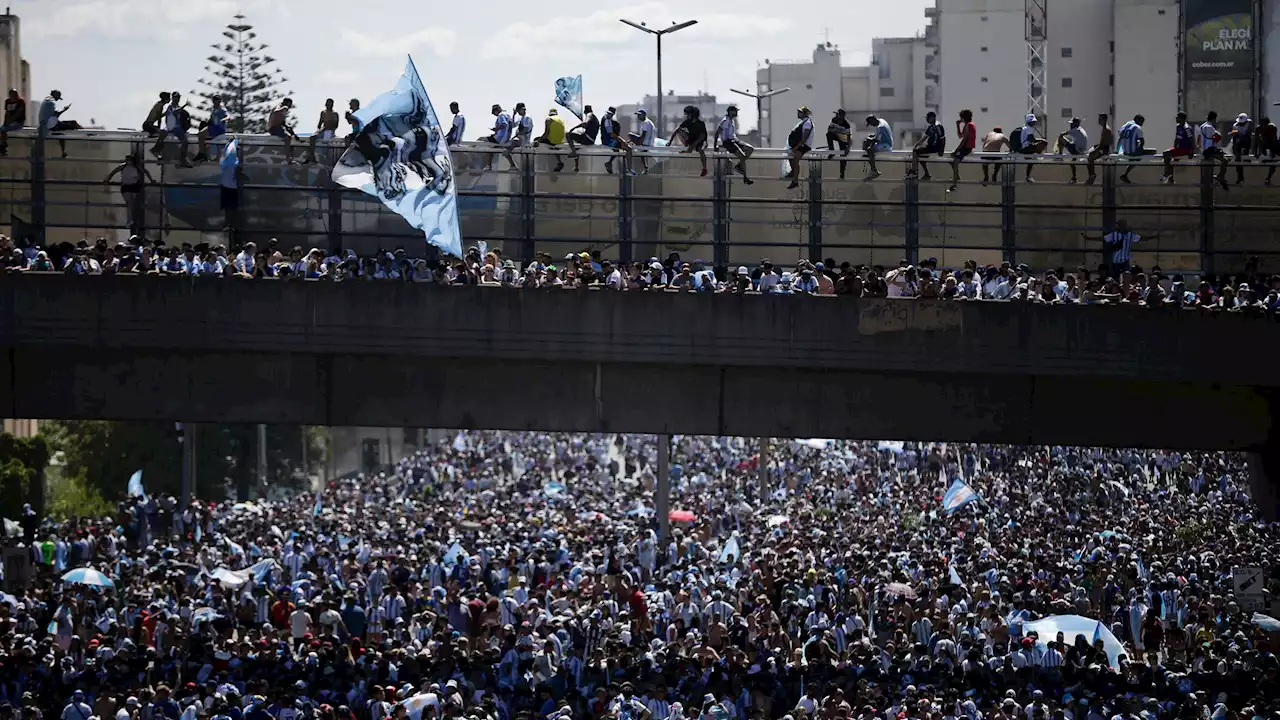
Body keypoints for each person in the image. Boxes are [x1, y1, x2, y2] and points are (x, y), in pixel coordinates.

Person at [104, 153, 156, 235]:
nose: (128, 161)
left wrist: (151, 180)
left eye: (130, 160)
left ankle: (131, 219)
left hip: (134, 186)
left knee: (131, 203)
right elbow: (113, 172)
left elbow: (145, 171)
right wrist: (107, 179)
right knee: (129, 202)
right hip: (126, 186)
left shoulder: (136, 167)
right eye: (127, 160)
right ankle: (129, 220)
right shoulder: (123, 166)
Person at [714, 104, 754, 185]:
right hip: (728, 142)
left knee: (750, 149)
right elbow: (717, 132)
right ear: (730, 112)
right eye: (735, 111)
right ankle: (745, 177)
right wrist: (715, 146)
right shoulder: (725, 121)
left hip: (735, 140)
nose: (736, 113)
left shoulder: (732, 120)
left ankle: (739, 166)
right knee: (742, 156)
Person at [150, 90, 192, 167]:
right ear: (173, 98)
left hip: (176, 128)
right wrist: (185, 105)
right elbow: (175, 112)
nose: (177, 99)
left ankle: (182, 159)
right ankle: (157, 152)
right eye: (175, 97)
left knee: (185, 142)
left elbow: (165, 114)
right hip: (171, 128)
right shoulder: (171, 107)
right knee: (162, 136)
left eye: (178, 97)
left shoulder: (175, 107)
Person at [39, 89, 82, 158]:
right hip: (50, 126)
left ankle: (63, 152)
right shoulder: (51, 101)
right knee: (73, 123)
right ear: (55, 95)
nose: (57, 100)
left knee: (61, 135)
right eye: (58, 98)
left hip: (44, 126)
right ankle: (86, 133)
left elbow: (50, 115)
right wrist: (64, 109)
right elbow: (56, 114)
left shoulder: (45, 100)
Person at [669, 105, 708, 177]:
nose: (686, 116)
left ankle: (704, 168)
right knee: (680, 131)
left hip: (699, 141)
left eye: (687, 114)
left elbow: (702, 137)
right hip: (691, 139)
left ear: (692, 114)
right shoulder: (687, 122)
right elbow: (677, 130)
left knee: (700, 150)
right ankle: (686, 147)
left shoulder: (700, 124)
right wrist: (670, 142)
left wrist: (692, 146)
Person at [1159, 112, 1195, 184]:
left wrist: (1191, 151)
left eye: (1177, 117)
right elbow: (1177, 138)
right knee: (1169, 157)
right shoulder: (1178, 126)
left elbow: (1192, 140)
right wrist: (1174, 147)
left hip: (1186, 149)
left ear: (1181, 119)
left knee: (1166, 154)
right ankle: (1170, 178)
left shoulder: (1186, 128)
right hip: (1180, 148)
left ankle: (1167, 173)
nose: (1176, 118)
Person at [784, 106, 815, 189]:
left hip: (803, 146)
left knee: (795, 161)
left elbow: (805, 137)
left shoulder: (807, 123)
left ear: (804, 114)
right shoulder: (803, 122)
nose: (798, 113)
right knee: (790, 156)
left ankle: (795, 181)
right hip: (799, 145)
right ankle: (793, 172)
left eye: (800, 112)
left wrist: (797, 147)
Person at [192, 95, 229, 163]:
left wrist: (223, 119)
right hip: (214, 128)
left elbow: (228, 116)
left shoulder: (222, 109)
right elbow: (211, 120)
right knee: (203, 137)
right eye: (215, 100)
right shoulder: (214, 109)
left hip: (218, 129)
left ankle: (201, 153)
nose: (216, 102)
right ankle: (204, 154)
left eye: (218, 100)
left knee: (201, 134)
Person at [303, 98, 341, 165]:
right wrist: (320, 130)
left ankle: (326, 159)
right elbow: (319, 124)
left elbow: (336, 126)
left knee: (326, 142)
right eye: (327, 103)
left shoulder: (335, 114)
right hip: (323, 130)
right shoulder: (323, 113)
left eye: (330, 104)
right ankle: (311, 157)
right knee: (312, 137)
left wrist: (329, 125)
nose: (328, 105)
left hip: (330, 131)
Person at [910, 111, 946, 181]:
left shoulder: (938, 126)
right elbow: (924, 137)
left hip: (934, 148)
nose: (927, 119)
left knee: (916, 152)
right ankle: (927, 174)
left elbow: (943, 139)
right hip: (930, 147)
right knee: (920, 157)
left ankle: (914, 171)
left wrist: (941, 150)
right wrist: (916, 145)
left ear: (932, 118)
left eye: (928, 118)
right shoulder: (930, 127)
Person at [1198, 110, 1229, 190]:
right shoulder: (1209, 127)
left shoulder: (1202, 126)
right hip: (1209, 150)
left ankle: (1219, 178)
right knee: (1225, 160)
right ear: (1213, 118)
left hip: (1204, 150)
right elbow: (1216, 137)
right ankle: (1220, 176)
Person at [565, 105, 599, 172]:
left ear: (585, 112)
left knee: (568, 135)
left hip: (587, 139)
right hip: (591, 140)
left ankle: (574, 153)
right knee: (576, 146)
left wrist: (574, 128)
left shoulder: (589, 115)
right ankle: (576, 166)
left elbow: (585, 123)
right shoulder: (595, 119)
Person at [1015, 113, 1048, 182]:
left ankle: (1028, 176)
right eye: (1032, 121)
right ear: (1029, 122)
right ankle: (1038, 154)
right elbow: (1031, 139)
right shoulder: (1029, 128)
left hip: (1024, 148)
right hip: (1027, 148)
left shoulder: (1025, 127)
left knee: (1030, 162)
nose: (1034, 123)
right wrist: (1041, 140)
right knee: (1045, 142)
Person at [950, 108, 976, 191]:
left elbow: (964, 139)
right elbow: (960, 136)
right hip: (967, 147)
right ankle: (957, 177)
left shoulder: (969, 125)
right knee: (952, 161)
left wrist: (957, 150)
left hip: (966, 147)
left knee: (955, 162)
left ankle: (955, 183)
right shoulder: (969, 124)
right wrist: (958, 125)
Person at [1055, 116, 1088, 183]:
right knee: (1072, 163)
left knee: (1060, 138)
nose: (1070, 125)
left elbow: (1061, 134)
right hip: (1081, 151)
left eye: (1071, 124)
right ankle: (1074, 177)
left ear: (1075, 124)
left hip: (1077, 150)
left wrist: (1059, 145)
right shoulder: (1081, 130)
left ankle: (1060, 156)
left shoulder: (1075, 129)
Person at [1116, 114, 1147, 184]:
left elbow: (1120, 136)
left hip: (1125, 151)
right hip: (1132, 152)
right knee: (1147, 153)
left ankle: (1125, 173)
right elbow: (1142, 141)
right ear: (1138, 120)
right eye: (1142, 122)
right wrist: (1139, 149)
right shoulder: (1137, 127)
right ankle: (1125, 173)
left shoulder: (1125, 125)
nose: (1142, 124)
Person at [1085, 113, 1115, 185]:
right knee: (1090, 153)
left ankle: (1092, 175)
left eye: (1100, 119)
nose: (1098, 120)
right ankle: (1091, 175)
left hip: (1106, 150)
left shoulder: (1106, 130)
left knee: (1090, 157)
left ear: (1104, 120)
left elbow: (1103, 145)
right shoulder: (1104, 128)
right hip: (1104, 148)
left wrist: (1095, 150)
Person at [534, 108, 567, 172]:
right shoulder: (561, 119)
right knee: (555, 147)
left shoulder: (548, 119)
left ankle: (539, 163)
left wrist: (538, 141)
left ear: (550, 114)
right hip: (560, 140)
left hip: (552, 140)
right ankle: (559, 162)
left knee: (536, 140)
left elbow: (546, 133)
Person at [862, 113, 893, 181]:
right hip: (884, 142)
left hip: (886, 145)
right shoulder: (881, 120)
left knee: (870, 150)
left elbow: (876, 140)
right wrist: (870, 137)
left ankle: (874, 170)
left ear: (873, 120)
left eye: (871, 123)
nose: (871, 125)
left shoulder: (880, 127)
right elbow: (878, 135)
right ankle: (870, 161)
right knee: (869, 140)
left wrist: (868, 140)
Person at [482, 104, 513, 171]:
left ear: (496, 110)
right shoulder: (507, 115)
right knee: (503, 151)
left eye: (494, 113)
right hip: (506, 137)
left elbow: (504, 124)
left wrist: (496, 129)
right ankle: (512, 165)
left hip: (500, 137)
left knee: (485, 143)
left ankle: (488, 165)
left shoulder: (501, 115)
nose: (495, 115)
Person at [268, 98, 297, 163]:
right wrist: (283, 108)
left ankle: (292, 158)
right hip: (273, 128)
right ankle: (287, 158)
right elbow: (275, 111)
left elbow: (282, 122)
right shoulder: (279, 106)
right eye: (289, 105)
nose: (289, 107)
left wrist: (289, 127)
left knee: (292, 137)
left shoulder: (283, 111)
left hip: (279, 127)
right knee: (288, 137)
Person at [825, 109, 852, 179]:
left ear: (842, 116)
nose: (836, 116)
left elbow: (849, 137)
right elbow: (829, 130)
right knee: (828, 135)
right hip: (836, 135)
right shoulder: (834, 120)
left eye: (838, 114)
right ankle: (832, 151)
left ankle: (842, 172)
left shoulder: (846, 125)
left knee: (843, 155)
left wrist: (848, 148)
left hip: (843, 139)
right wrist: (835, 130)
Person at [629, 109, 656, 175]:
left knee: (629, 134)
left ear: (644, 115)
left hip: (645, 143)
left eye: (639, 115)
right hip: (649, 143)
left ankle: (629, 168)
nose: (638, 117)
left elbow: (643, 135)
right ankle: (645, 167)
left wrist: (638, 144)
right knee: (642, 153)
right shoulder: (649, 122)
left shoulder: (645, 123)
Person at [0, 88, 25, 156]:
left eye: (15, 94)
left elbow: (18, 113)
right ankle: (3, 145)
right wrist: (5, 123)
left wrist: (9, 122)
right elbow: (7, 113)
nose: (14, 95)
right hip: (9, 122)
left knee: (3, 129)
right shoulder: (7, 101)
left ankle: (3, 147)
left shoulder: (21, 101)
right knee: (2, 129)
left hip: (19, 122)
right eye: (12, 94)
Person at [1229, 112, 1253, 185]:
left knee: (1247, 138)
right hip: (1237, 142)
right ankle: (1240, 177)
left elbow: (1249, 134)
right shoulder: (1235, 126)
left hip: (1245, 141)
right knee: (1238, 160)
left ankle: (1246, 153)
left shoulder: (1249, 124)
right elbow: (1235, 138)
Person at [1255, 115, 1279, 185]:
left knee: (1273, 162)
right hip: (1264, 144)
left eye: (1265, 125)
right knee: (1261, 140)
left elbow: (1274, 140)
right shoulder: (1258, 129)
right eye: (1263, 125)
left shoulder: (1272, 127)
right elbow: (1256, 141)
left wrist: (1274, 152)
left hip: (1272, 144)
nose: (1264, 127)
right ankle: (1263, 153)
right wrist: (1256, 152)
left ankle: (1268, 178)